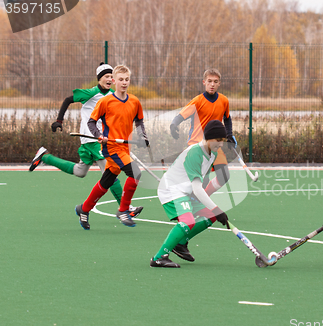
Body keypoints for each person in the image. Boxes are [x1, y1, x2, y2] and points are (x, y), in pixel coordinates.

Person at [28, 63, 143, 218]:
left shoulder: (112, 96)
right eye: (106, 76)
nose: (109, 79)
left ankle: (45, 156)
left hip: (98, 141)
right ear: (99, 79)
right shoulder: (91, 93)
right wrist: (59, 121)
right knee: (110, 173)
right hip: (93, 140)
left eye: (111, 76)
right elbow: (68, 100)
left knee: (80, 171)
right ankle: (126, 208)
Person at [168, 68, 236, 257]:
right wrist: (174, 125)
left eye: (216, 81)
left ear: (219, 83)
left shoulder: (224, 100)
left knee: (224, 175)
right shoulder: (198, 101)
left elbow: (227, 119)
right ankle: (196, 208)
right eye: (209, 81)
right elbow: (181, 115)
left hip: (216, 146)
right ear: (204, 82)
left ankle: (201, 198)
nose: (212, 84)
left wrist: (229, 135)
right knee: (200, 182)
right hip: (197, 147)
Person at [75, 64, 149, 230]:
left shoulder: (134, 101)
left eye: (127, 79)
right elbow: (91, 122)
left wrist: (143, 136)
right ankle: (123, 210)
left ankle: (84, 209)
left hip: (125, 149)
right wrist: (98, 136)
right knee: (135, 173)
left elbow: (139, 121)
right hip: (111, 148)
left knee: (106, 182)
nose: (124, 82)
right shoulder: (105, 101)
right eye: (121, 79)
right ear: (114, 81)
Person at [150, 120, 230, 268]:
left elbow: (198, 183)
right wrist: (217, 209)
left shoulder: (211, 153)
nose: (221, 144)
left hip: (185, 191)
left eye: (223, 141)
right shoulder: (195, 153)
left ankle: (180, 243)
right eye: (218, 140)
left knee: (209, 216)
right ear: (208, 138)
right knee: (189, 221)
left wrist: (214, 211)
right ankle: (159, 257)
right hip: (172, 190)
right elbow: (197, 187)